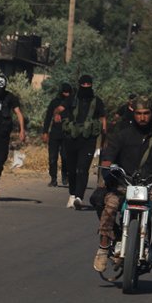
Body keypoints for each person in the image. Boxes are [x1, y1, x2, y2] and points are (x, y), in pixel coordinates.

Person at [92, 100, 152, 271]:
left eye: (146, 114)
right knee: (110, 206)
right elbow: (109, 155)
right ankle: (103, 248)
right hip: (123, 186)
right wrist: (107, 164)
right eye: (139, 114)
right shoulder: (122, 136)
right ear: (134, 115)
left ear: (151, 115)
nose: (142, 117)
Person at [61, 75, 106, 210]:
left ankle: (79, 197)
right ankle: (72, 194)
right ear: (79, 84)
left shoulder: (97, 101)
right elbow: (61, 112)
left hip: (88, 140)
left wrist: (104, 139)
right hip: (72, 139)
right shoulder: (71, 100)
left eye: (88, 84)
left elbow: (103, 119)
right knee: (72, 170)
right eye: (84, 84)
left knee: (83, 168)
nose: (86, 86)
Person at [41, 82, 73, 187]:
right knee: (52, 157)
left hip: (67, 133)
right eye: (65, 92)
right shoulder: (54, 102)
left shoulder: (72, 103)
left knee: (65, 156)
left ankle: (65, 176)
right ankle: (53, 178)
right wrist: (45, 132)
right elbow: (48, 117)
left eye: (68, 92)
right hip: (55, 132)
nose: (66, 94)